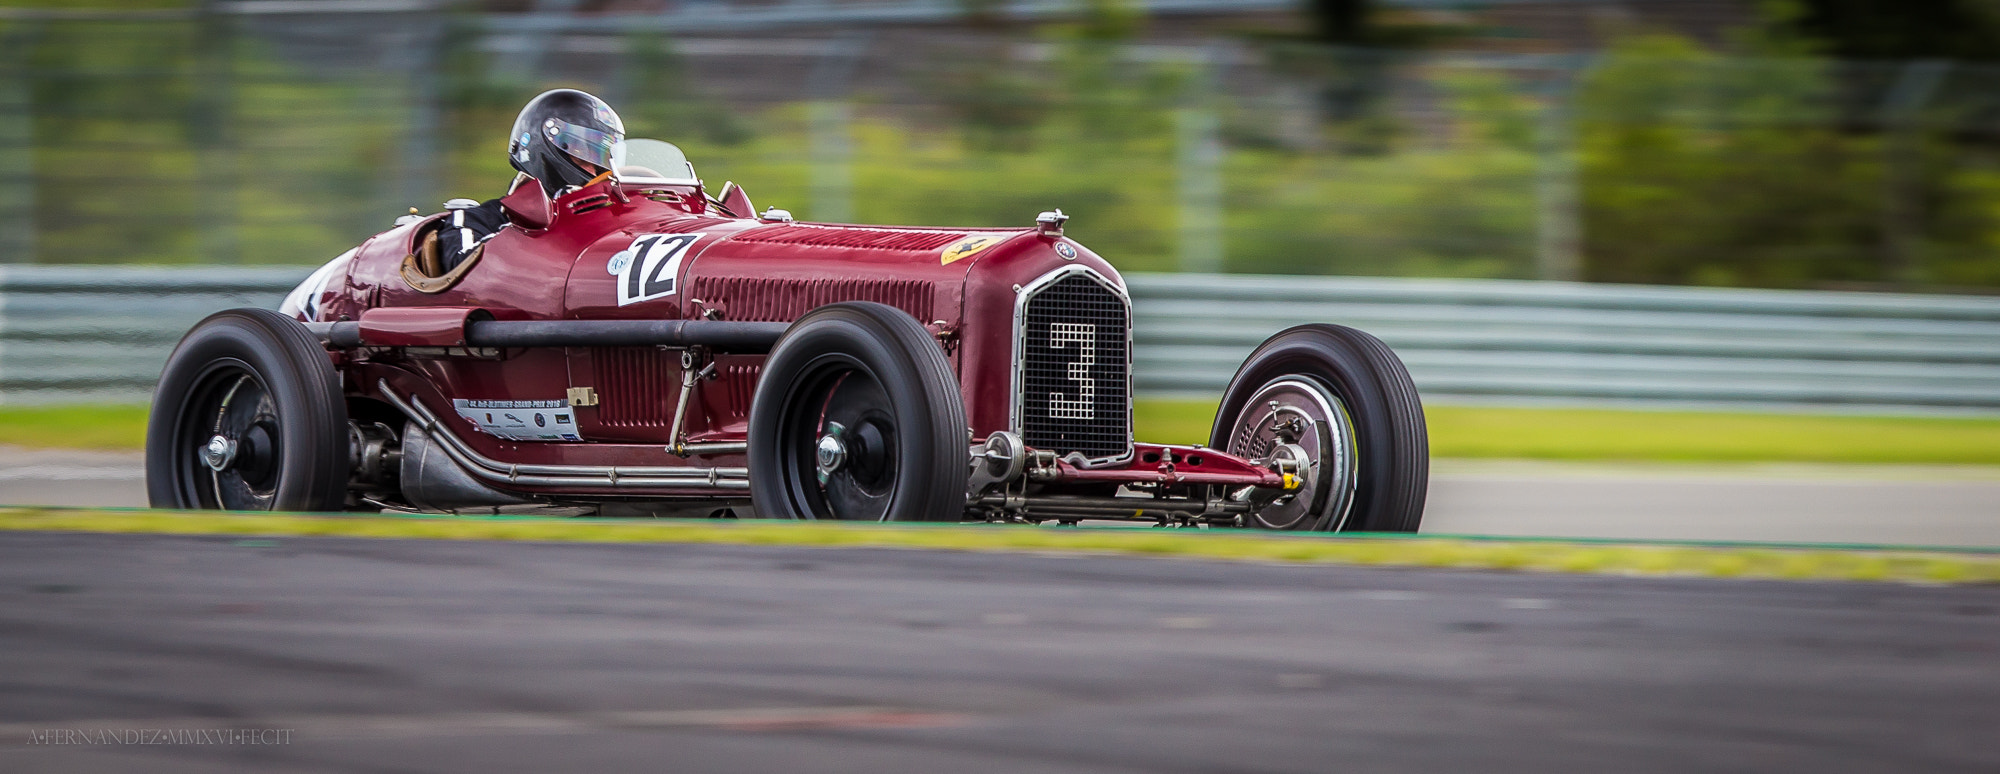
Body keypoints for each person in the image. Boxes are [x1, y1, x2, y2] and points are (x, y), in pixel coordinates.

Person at [434, 88, 626, 272]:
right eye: (583, 157)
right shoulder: (475, 219)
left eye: (602, 163)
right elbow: (460, 265)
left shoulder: (614, 225)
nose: (596, 173)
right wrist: (536, 229)